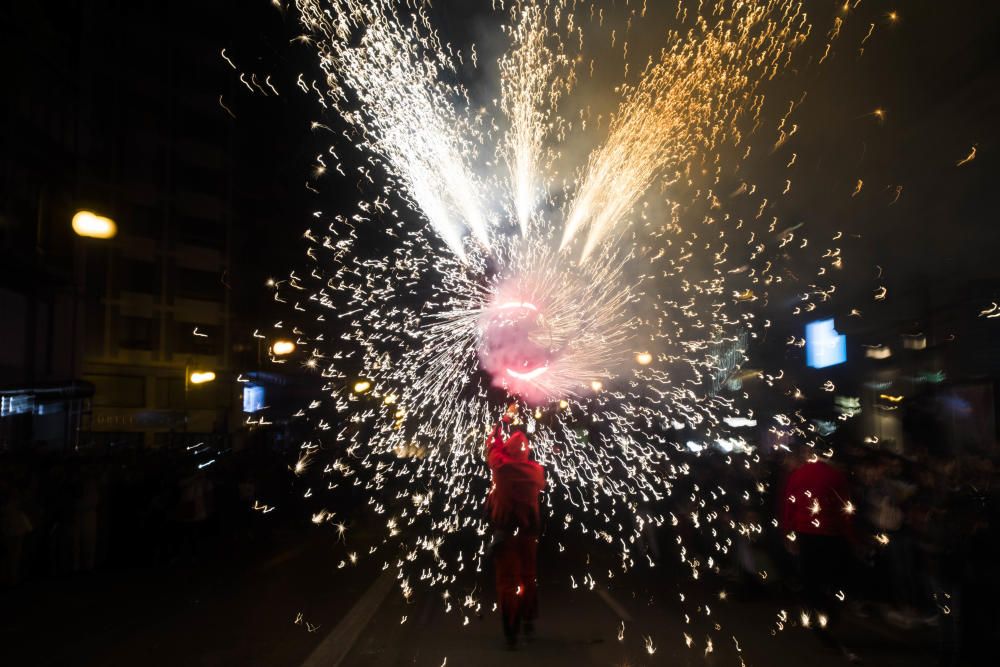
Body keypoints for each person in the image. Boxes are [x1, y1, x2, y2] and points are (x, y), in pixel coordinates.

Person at [780, 448, 859, 663]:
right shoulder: (836, 476)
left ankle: (817, 617)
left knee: (811, 579)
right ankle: (828, 613)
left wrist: (788, 531)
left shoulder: (798, 474)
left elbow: (790, 504)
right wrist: (851, 536)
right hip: (831, 535)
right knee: (831, 578)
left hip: (806, 534)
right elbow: (846, 508)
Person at [485, 404, 546, 648]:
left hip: (506, 534)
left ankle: (511, 631)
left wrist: (505, 418)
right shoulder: (536, 471)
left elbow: (491, 442)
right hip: (529, 535)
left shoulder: (501, 468)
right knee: (529, 578)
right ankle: (529, 621)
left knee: (508, 582)